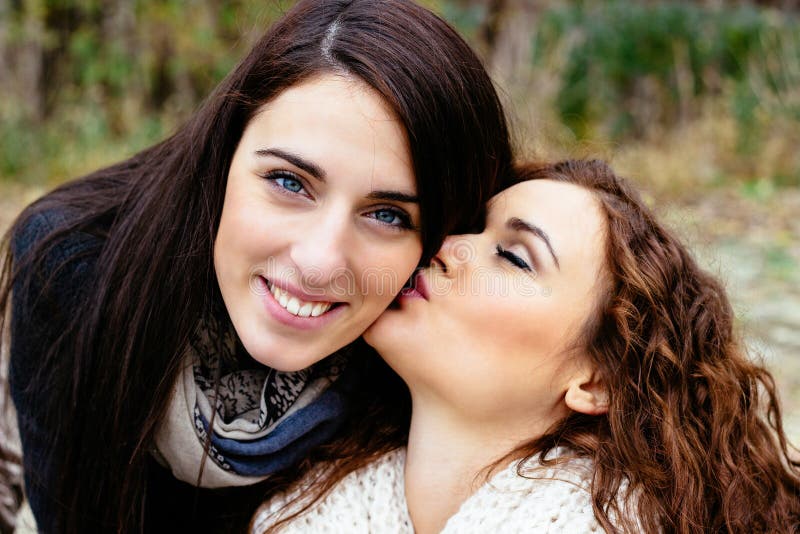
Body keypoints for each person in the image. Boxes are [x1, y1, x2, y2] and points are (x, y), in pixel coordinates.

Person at [0, 0, 514, 531]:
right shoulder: (79, 268)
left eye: (387, 215)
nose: (318, 263)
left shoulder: (414, 346)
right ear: (223, 154)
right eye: (289, 182)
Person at [252, 159, 800, 533]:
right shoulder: (302, 505)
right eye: (472, 228)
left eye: (514, 257)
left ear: (596, 381)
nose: (444, 247)